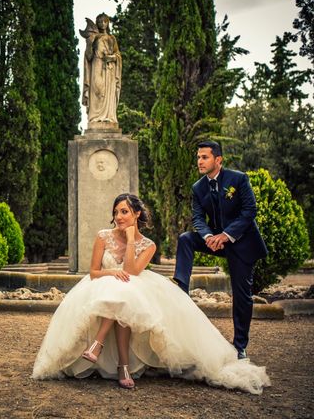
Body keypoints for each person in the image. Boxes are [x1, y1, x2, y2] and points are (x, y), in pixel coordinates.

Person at [32, 193, 270, 394]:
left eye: (124, 212)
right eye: (116, 212)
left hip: (132, 285)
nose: (119, 217)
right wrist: (112, 274)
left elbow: (132, 271)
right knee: (120, 291)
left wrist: (129, 239)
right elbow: (94, 272)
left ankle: (99, 344)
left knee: (124, 295)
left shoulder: (149, 244)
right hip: (102, 284)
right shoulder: (103, 236)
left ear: (136, 214)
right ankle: (121, 365)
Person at [174, 140, 268, 360]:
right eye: (198, 157)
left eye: (204, 157)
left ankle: (240, 346)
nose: (199, 161)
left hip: (241, 244)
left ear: (218, 160)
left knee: (242, 296)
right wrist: (208, 236)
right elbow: (197, 216)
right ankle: (181, 288)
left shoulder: (238, 179)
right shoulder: (198, 187)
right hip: (214, 241)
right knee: (186, 238)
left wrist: (226, 235)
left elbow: (249, 211)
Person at [79, 13, 122, 127]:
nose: (102, 24)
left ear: (108, 23)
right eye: (100, 22)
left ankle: (109, 117)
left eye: (105, 21)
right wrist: (89, 44)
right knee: (97, 90)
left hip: (109, 70)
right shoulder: (94, 38)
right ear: (96, 23)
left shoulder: (112, 38)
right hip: (97, 66)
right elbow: (88, 57)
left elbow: (117, 55)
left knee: (108, 92)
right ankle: (94, 118)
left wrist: (112, 57)